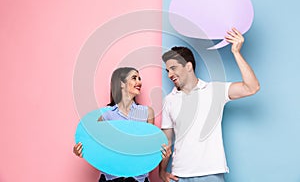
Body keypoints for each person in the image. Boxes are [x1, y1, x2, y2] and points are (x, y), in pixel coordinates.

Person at [159, 28, 260, 182]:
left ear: (188, 66)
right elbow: (167, 142)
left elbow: (251, 87)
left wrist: (236, 53)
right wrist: (162, 171)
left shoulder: (214, 90)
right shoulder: (169, 100)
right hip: (179, 176)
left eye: (173, 68)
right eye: (167, 70)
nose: (169, 74)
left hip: (211, 174)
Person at [73, 67, 171, 182]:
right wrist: (81, 151)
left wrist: (162, 153)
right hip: (111, 178)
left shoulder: (147, 112)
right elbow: (96, 145)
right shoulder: (106, 114)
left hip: (138, 178)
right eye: (134, 78)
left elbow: (149, 146)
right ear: (121, 84)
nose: (139, 82)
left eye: (139, 78)